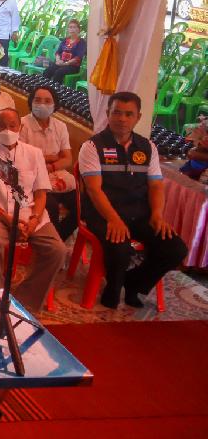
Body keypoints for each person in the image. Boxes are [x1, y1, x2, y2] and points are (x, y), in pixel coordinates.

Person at [79, 92, 187, 308]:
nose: (122, 119)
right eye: (117, 113)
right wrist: (114, 219)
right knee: (120, 246)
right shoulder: (92, 146)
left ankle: (133, 283)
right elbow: (94, 190)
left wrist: (157, 215)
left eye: (129, 114)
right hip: (103, 213)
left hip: (138, 214)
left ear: (138, 117)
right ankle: (112, 290)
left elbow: (155, 186)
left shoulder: (147, 147)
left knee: (175, 249)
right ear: (108, 113)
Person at [0, 108, 65, 312]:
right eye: (2, 126)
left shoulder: (34, 153)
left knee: (58, 250)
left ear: (20, 128)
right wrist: (6, 218)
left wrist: (34, 220)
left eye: (12, 126)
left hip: (29, 213)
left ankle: (24, 301)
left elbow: (40, 194)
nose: (8, 130)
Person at [21, 86, 77, 240]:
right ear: (31, 102)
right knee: (50, 206)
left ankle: (58, 239)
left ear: (54, 104)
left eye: (47, 101)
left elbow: (67, 159)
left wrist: (50, 165)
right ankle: (52, 243)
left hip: (56, 176)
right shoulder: (22, 125)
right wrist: (50, 157)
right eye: (37, 100)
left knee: (83, 205)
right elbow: (22, 157)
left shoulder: (60, 126)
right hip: (32, 179)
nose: (42, 104)